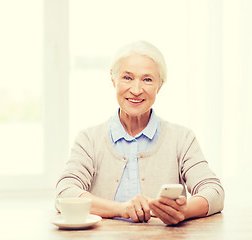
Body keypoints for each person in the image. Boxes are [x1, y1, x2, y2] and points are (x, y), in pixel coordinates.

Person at [56, 41, 224, 225]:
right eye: (127, 78)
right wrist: (121, 209)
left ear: (159, 86)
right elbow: (65, 191)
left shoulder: (182, 138)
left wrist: (184, 211)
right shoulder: (89, 139)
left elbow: (214, 192)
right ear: (113, 80)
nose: (136, 90)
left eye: (147, 79)